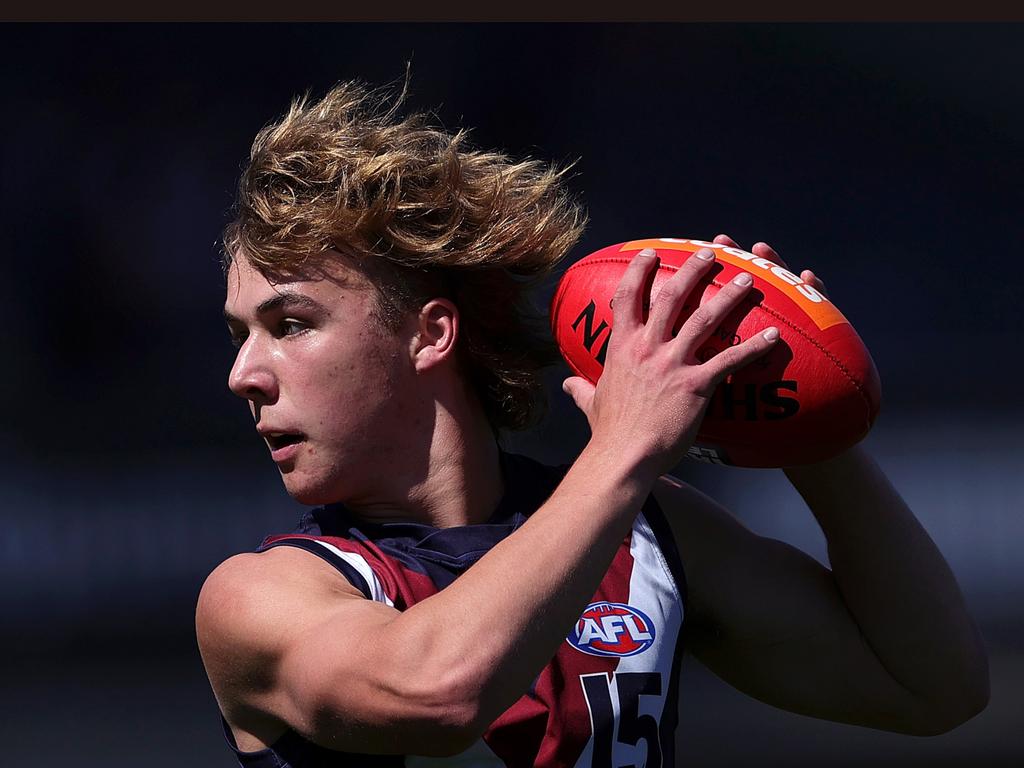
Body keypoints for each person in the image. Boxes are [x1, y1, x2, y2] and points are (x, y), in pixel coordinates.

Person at [197, 80, 989, 767]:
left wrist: (803, 414)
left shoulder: (650, 532)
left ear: (431, 334)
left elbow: (933, 688)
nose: (243, 375)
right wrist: (624, 447)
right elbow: (437, 694)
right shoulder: (259, 596)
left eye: (291, 324)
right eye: (240, 335)